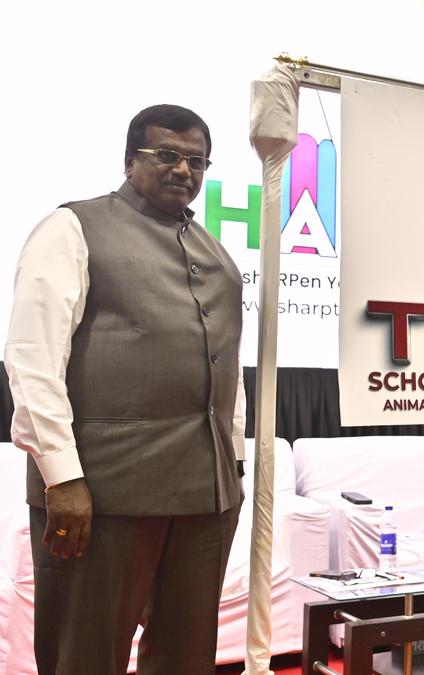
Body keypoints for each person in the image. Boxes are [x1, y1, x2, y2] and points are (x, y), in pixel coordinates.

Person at [4, 104, 245, 674]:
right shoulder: (72, 226)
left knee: (187, 657)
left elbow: (227, 363)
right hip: (101, 490)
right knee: (84, 655)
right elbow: (33, 357)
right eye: (167, 155)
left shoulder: (214, 250)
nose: (182, 169)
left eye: (196, 161)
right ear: (130, 160)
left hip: (206, 493)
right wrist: (62, 476)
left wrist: (233, 461)